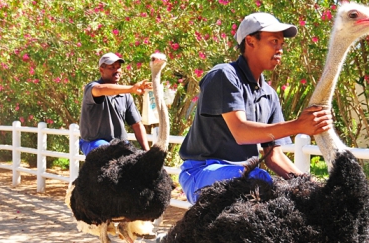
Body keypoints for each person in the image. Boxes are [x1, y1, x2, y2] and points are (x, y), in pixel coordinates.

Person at [178, 12, 333, 203]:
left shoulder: (270, 94)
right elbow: (241, 132)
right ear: (250, 42)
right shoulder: (223, 75)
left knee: (285, 192)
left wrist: (312, 189)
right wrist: (299, 126)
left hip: (244, 176)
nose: (280, 49)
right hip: (202, 173)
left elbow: (273, 156)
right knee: (259, 180)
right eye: (274, 41)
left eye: (282, 44)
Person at [78, 52, 152, 156]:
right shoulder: (93, 87)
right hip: (94, 143)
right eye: (112, 67)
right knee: (107, 154)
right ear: (101, 70)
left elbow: (137, 125)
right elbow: (100, 90)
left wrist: (147, 152)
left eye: (118, 67)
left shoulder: (126, 96)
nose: (117, 70)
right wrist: (131, 89)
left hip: (119, 144)